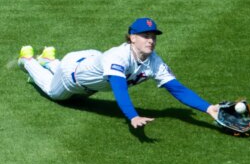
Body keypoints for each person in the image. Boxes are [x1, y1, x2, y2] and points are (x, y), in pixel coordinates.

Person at [18, 17, 219, 128]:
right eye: (146, 36)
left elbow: (177, 89)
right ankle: (27, 60)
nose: (151, 40)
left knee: (70, 78)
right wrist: (132, 116)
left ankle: (49, 59)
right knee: (54, 92)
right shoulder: (119, 57)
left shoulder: (154, 61)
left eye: (154, 37)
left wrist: (208, 108)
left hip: (89, 61)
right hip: (73, 76)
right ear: (132, 38)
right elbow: (119, 89)